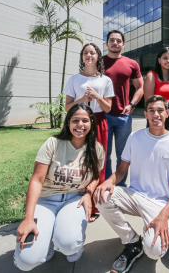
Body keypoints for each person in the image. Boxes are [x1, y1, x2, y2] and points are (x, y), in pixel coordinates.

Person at [94, 95, 169, 273]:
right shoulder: (135, 138)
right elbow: (121, 171)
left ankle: (156, 231)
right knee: (101, 196)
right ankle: (131, 241)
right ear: (145, 114)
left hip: (160, 204)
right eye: (151, 111)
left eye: (160, 110)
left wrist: (165, 214)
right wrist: (108, 181)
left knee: (153, 251)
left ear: (167, 113)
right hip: (134, 195)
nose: (156, 114)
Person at [14, 104, 104, 270]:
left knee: (69, 245)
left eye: (85, 120)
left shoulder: (96, 149)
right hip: (46, 200)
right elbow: (36, 180)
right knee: (26, 262)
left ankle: (73, 246)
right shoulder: (53, 143)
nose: (80, 125)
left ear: (91, 123)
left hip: (74, 200)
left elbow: (96, 176)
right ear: (68, 123)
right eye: (75, 120)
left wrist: (88, 193)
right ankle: (45, 245)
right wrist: (28, 218)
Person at [64, 42, 114, 221]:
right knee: (78, 161)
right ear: (82, 57)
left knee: (98, 163)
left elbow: (108, 108)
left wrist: (97, 97)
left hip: (99, 121)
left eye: (92, 52)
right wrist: (83, 98)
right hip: (78, 121)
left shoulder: (105, 80)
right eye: (86, 53)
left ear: (98, 56)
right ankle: (76, 201)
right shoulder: (74, 79)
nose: (89, 55)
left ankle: (95, 205)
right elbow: (67, 107)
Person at [103, 30, 145, 186]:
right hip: (103, 115)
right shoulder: (99, 62)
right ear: (106, 43)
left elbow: (140, 87)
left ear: (123, 44)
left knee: (123, 155)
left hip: (123, 117)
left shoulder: (131, 63)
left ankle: (120, 185)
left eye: (118, 41)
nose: (115, 43)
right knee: (105, 155)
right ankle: (106, 185)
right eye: (112, 40)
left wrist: (132, 104)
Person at [144, 47, 169, 135]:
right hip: (157, 116)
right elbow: (148, 101)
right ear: (159, 60)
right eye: (165, 58)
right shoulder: (151, 76)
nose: (168, 61)